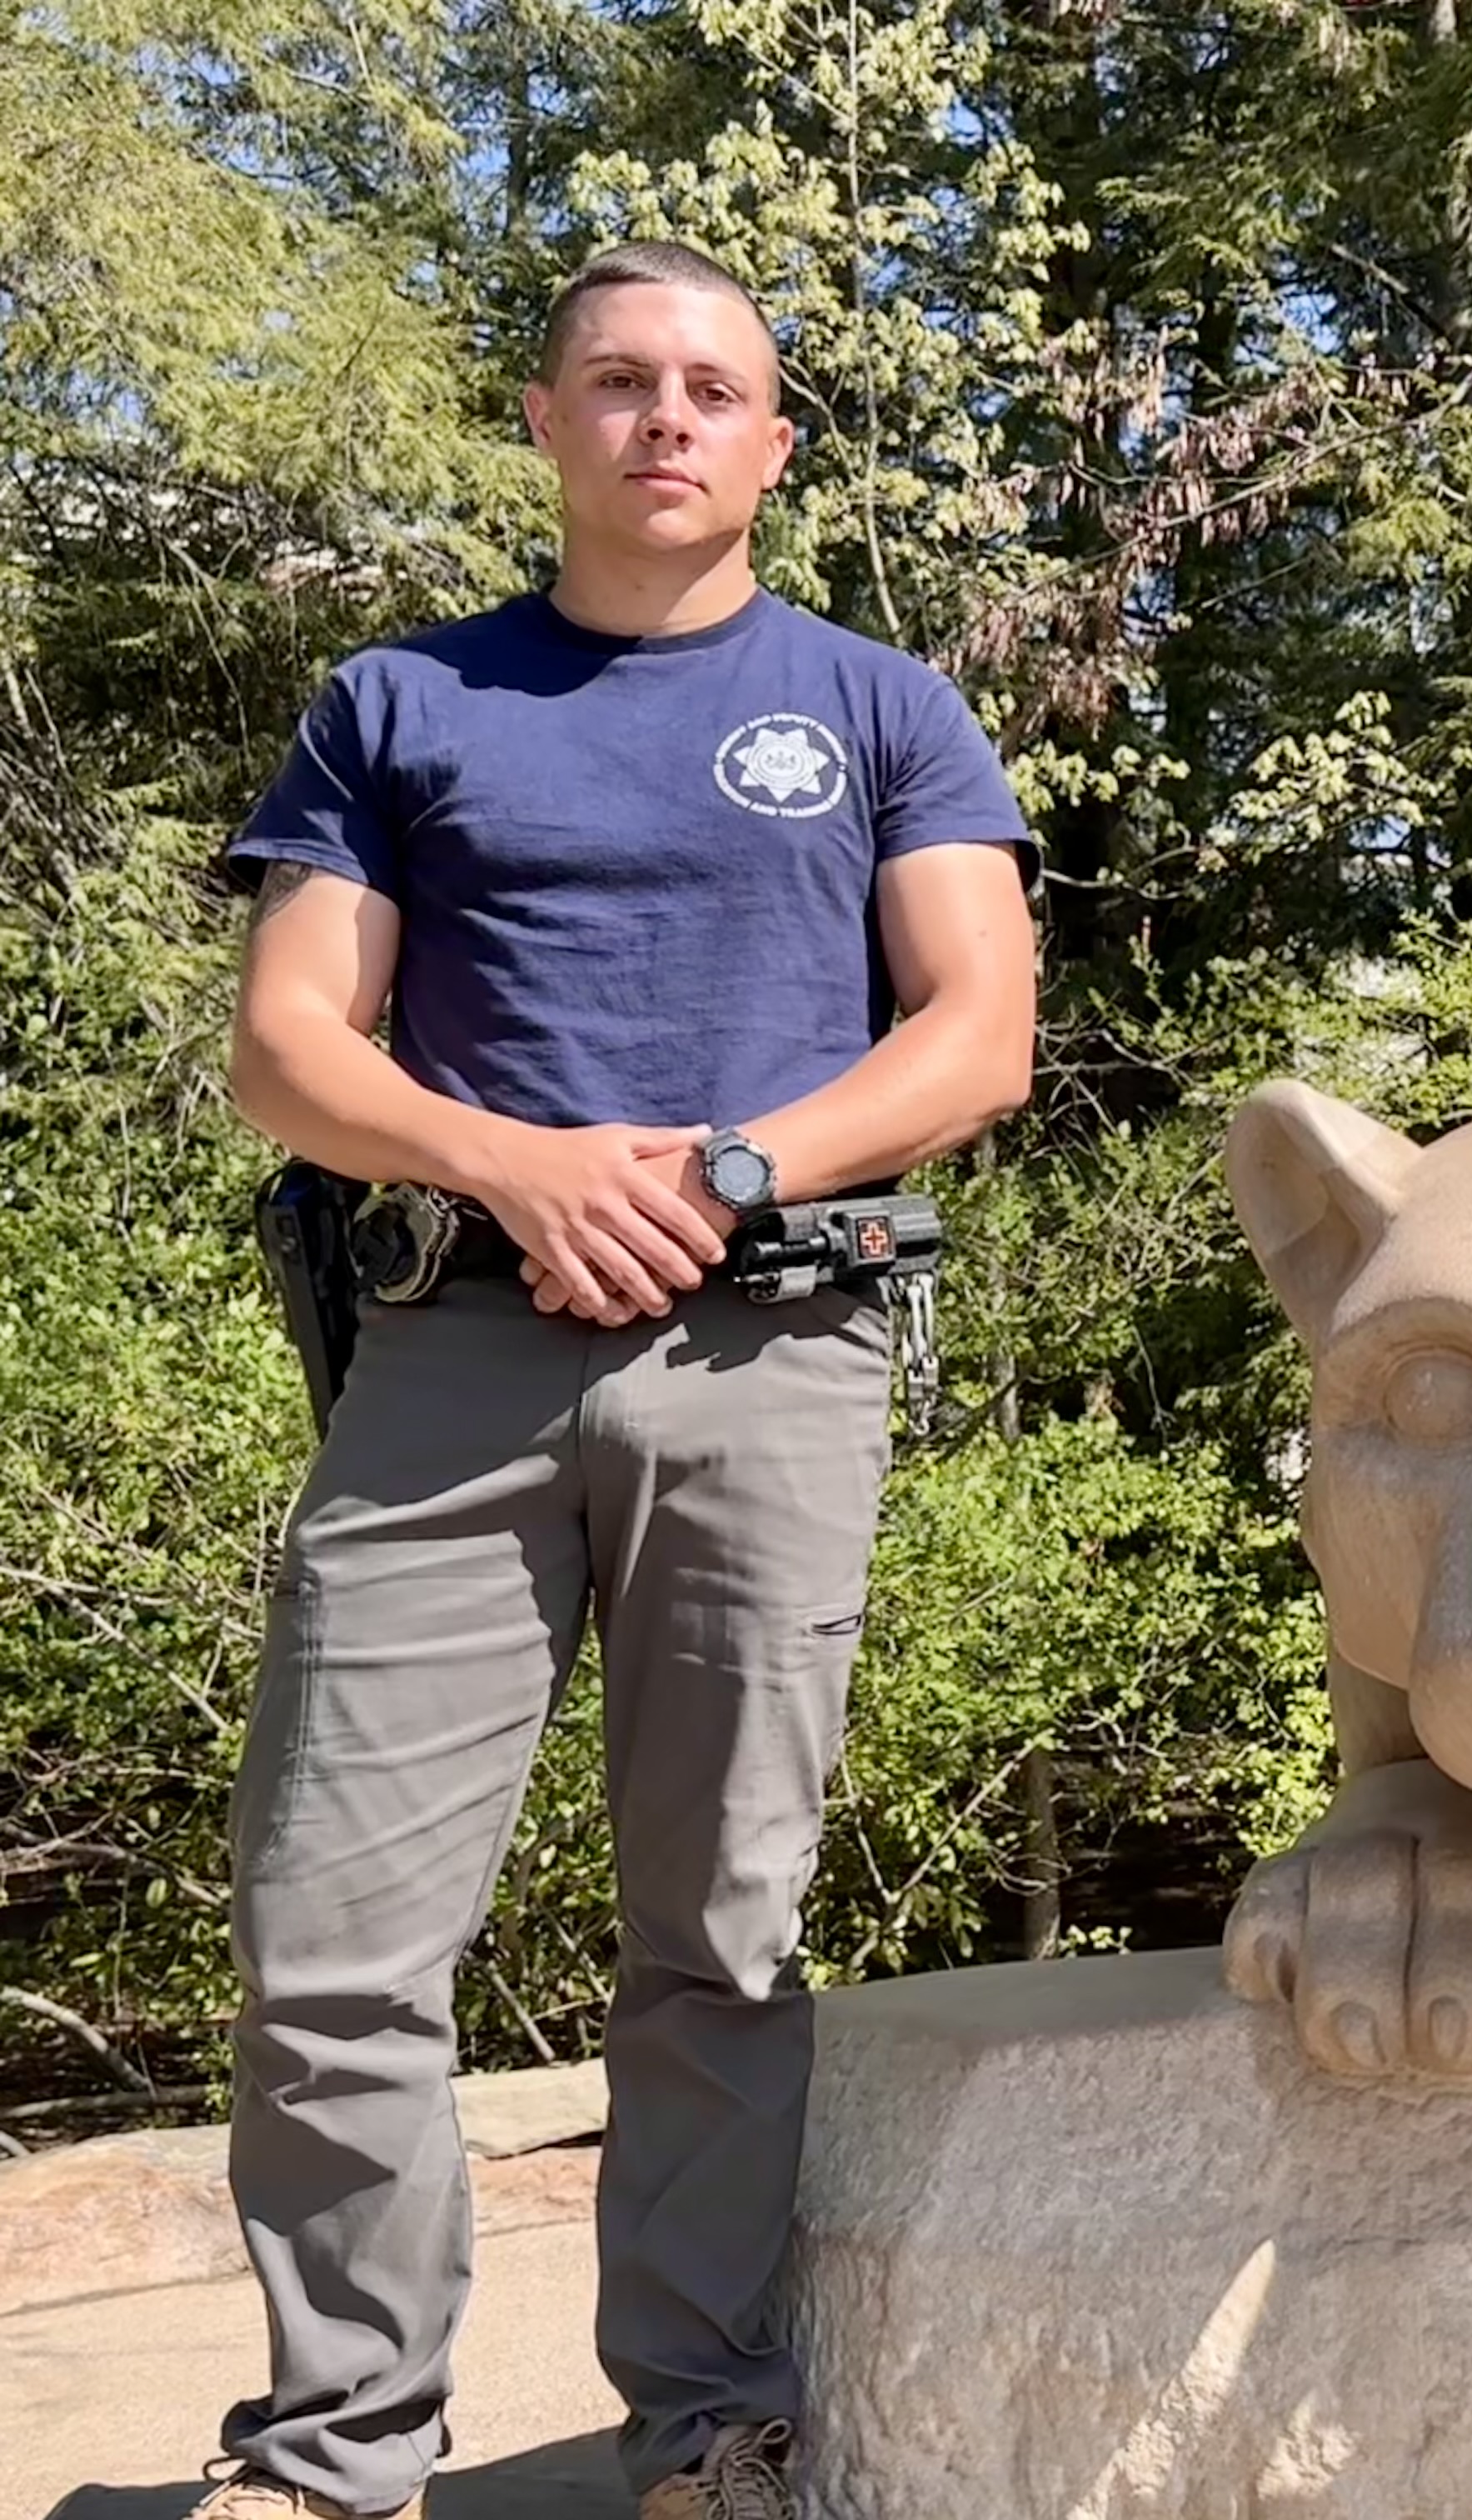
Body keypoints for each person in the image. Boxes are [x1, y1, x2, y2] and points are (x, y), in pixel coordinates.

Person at [203, 240, 1037, 2520]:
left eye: (712, 390)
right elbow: (291, 1042)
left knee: (724, 1936)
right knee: (329, 1939)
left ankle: (705, 2431)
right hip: (451, 1352)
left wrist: (735, 1164)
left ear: (771, 445)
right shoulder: (400, 703)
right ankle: (335, 2450)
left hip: (776, 1350)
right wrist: (520, 1166)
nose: (667, 419)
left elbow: (977, 1032)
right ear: (552, 422)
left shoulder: (885, 710)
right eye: (620, 382)